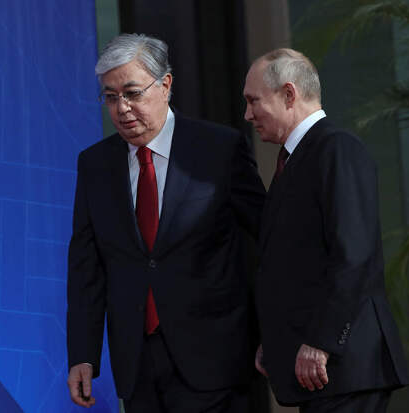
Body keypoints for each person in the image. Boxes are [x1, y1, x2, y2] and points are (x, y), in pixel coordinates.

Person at [66, 33, 265, 413]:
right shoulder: (95, 165)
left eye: (132, 93)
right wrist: (83, 355)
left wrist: (271, 334)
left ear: (166, 85)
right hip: (137, 365)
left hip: (215, 359)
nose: (122, 108)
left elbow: (267, 243)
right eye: (111, 97)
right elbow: (86, 268)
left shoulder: (218, 150)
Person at [244, 48, 409, 412]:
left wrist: (323, 341)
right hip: (323, 372)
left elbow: (354, 255)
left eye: (254, 101)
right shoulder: (298, 157)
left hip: (343, 365)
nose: (248, 114)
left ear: (289, 94)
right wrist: (277, 341)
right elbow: (298, 262)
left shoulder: (337, 148)